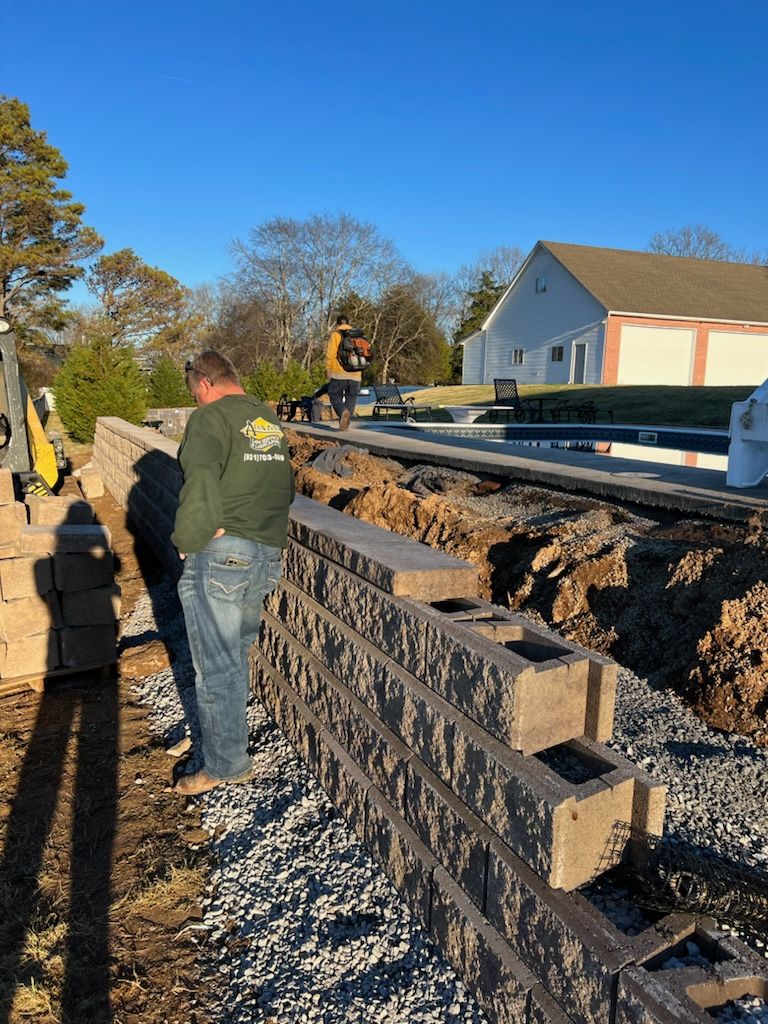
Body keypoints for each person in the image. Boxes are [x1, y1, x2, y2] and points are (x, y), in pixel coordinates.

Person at [171, 350, 295, 795]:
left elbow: (199, 480)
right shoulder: (265, 421)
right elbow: (283, 488)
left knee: (217, 667)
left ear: (204, 383)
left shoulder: (211, 418)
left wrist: (190, 537)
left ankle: (225, 765)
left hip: (222, 558)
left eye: (194, 394)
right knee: (232, 658)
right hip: (264, 556)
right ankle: (219, 738)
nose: (197, 402)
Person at [325, 314, 361, 430]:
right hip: (356, 373)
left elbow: (331, 354)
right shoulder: (357, 335)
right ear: (348, 322)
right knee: (352, 396)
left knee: (334, 394)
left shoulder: (335, 335)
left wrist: (328, 368)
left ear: (337, 324)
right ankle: (346, 419)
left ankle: (342, 412)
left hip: (338, 372)